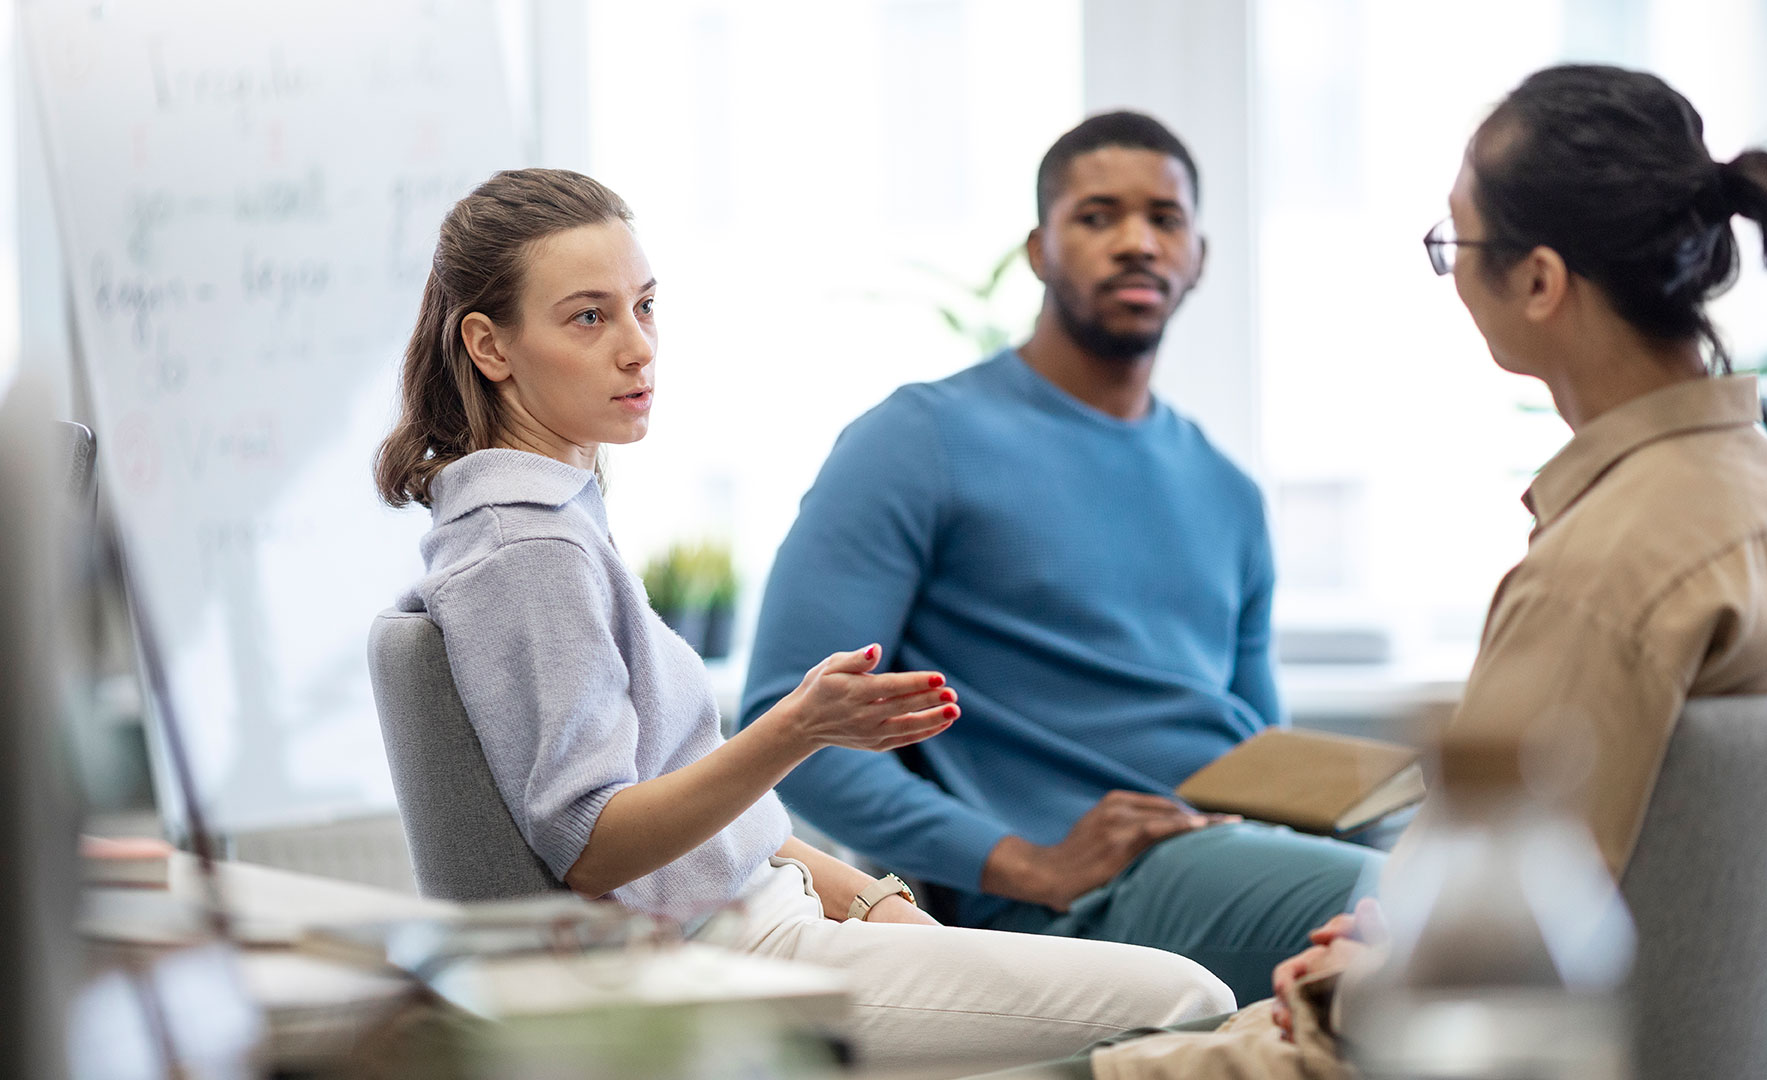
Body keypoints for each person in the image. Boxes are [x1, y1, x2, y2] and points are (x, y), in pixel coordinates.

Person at [1010, 63, 1767, 1080]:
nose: (1454, 273)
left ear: (1542, 281)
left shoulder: (1603, 573)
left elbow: (1481, 960)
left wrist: (1355, 970)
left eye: (1455, 244)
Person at [371, 168, 1234, 1071]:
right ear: (490, 345)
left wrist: (870, 899)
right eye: (589, 317)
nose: (638, 348)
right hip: (725, 961)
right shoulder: (529, 552)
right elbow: (594, 847)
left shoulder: (551, 523)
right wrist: (798, 727)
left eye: (646, 307)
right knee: (1191, 1000)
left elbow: (703, 822)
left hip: (770, 920)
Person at [740, 110, 1383, 1005]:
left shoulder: (1226, 489)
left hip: (1230, 854)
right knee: (1427, 911)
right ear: (1040, 250)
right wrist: (1021, 863)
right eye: (1097, 216)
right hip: (1065, 898)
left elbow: (1256, 746)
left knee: (1526, 879)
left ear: (1199, 254)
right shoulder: (917, 440)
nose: (1135, 242)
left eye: (1164, 219)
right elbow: (787, 724)